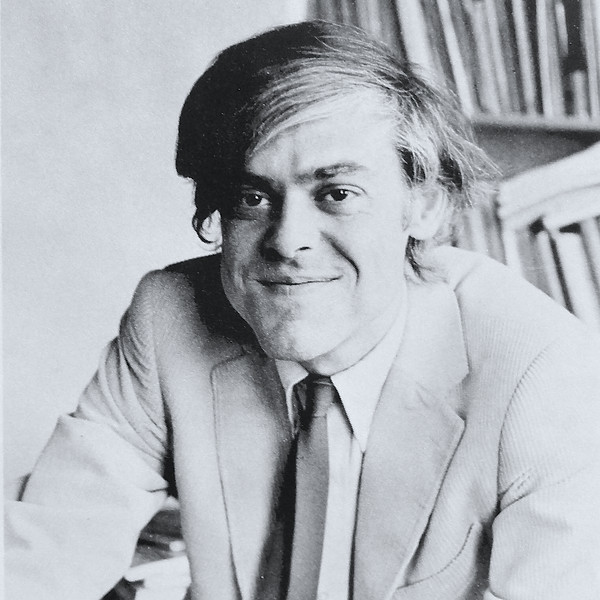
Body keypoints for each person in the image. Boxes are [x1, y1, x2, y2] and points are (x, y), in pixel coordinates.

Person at [5, 20, 600, 600]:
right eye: (252, 197)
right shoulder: (169, 318)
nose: (288, 240)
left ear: (425, 206)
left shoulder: (542, 369)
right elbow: (47, 548)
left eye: (337, 194)